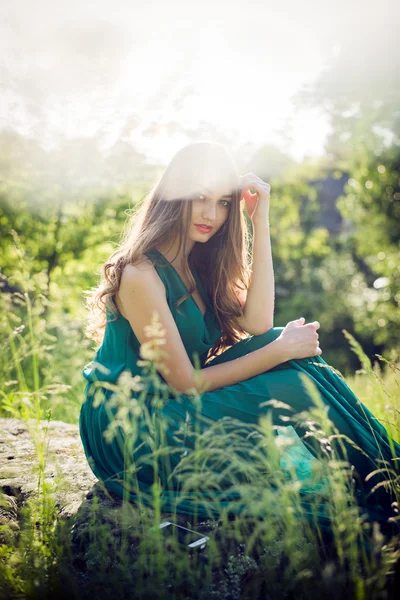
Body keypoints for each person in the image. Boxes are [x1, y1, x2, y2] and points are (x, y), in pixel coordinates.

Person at [79, 140, 399, 537]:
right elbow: (187, 382)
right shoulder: (140, 274)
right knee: (290, 371)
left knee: (284, 346)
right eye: (199, 198)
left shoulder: (200, 264)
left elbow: (260, 322)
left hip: (171, 406)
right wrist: (281, 350)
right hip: (132, 429)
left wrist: (257, 220)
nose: (211, 214)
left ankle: (388, 475)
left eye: (223, 202)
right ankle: (382, 487)